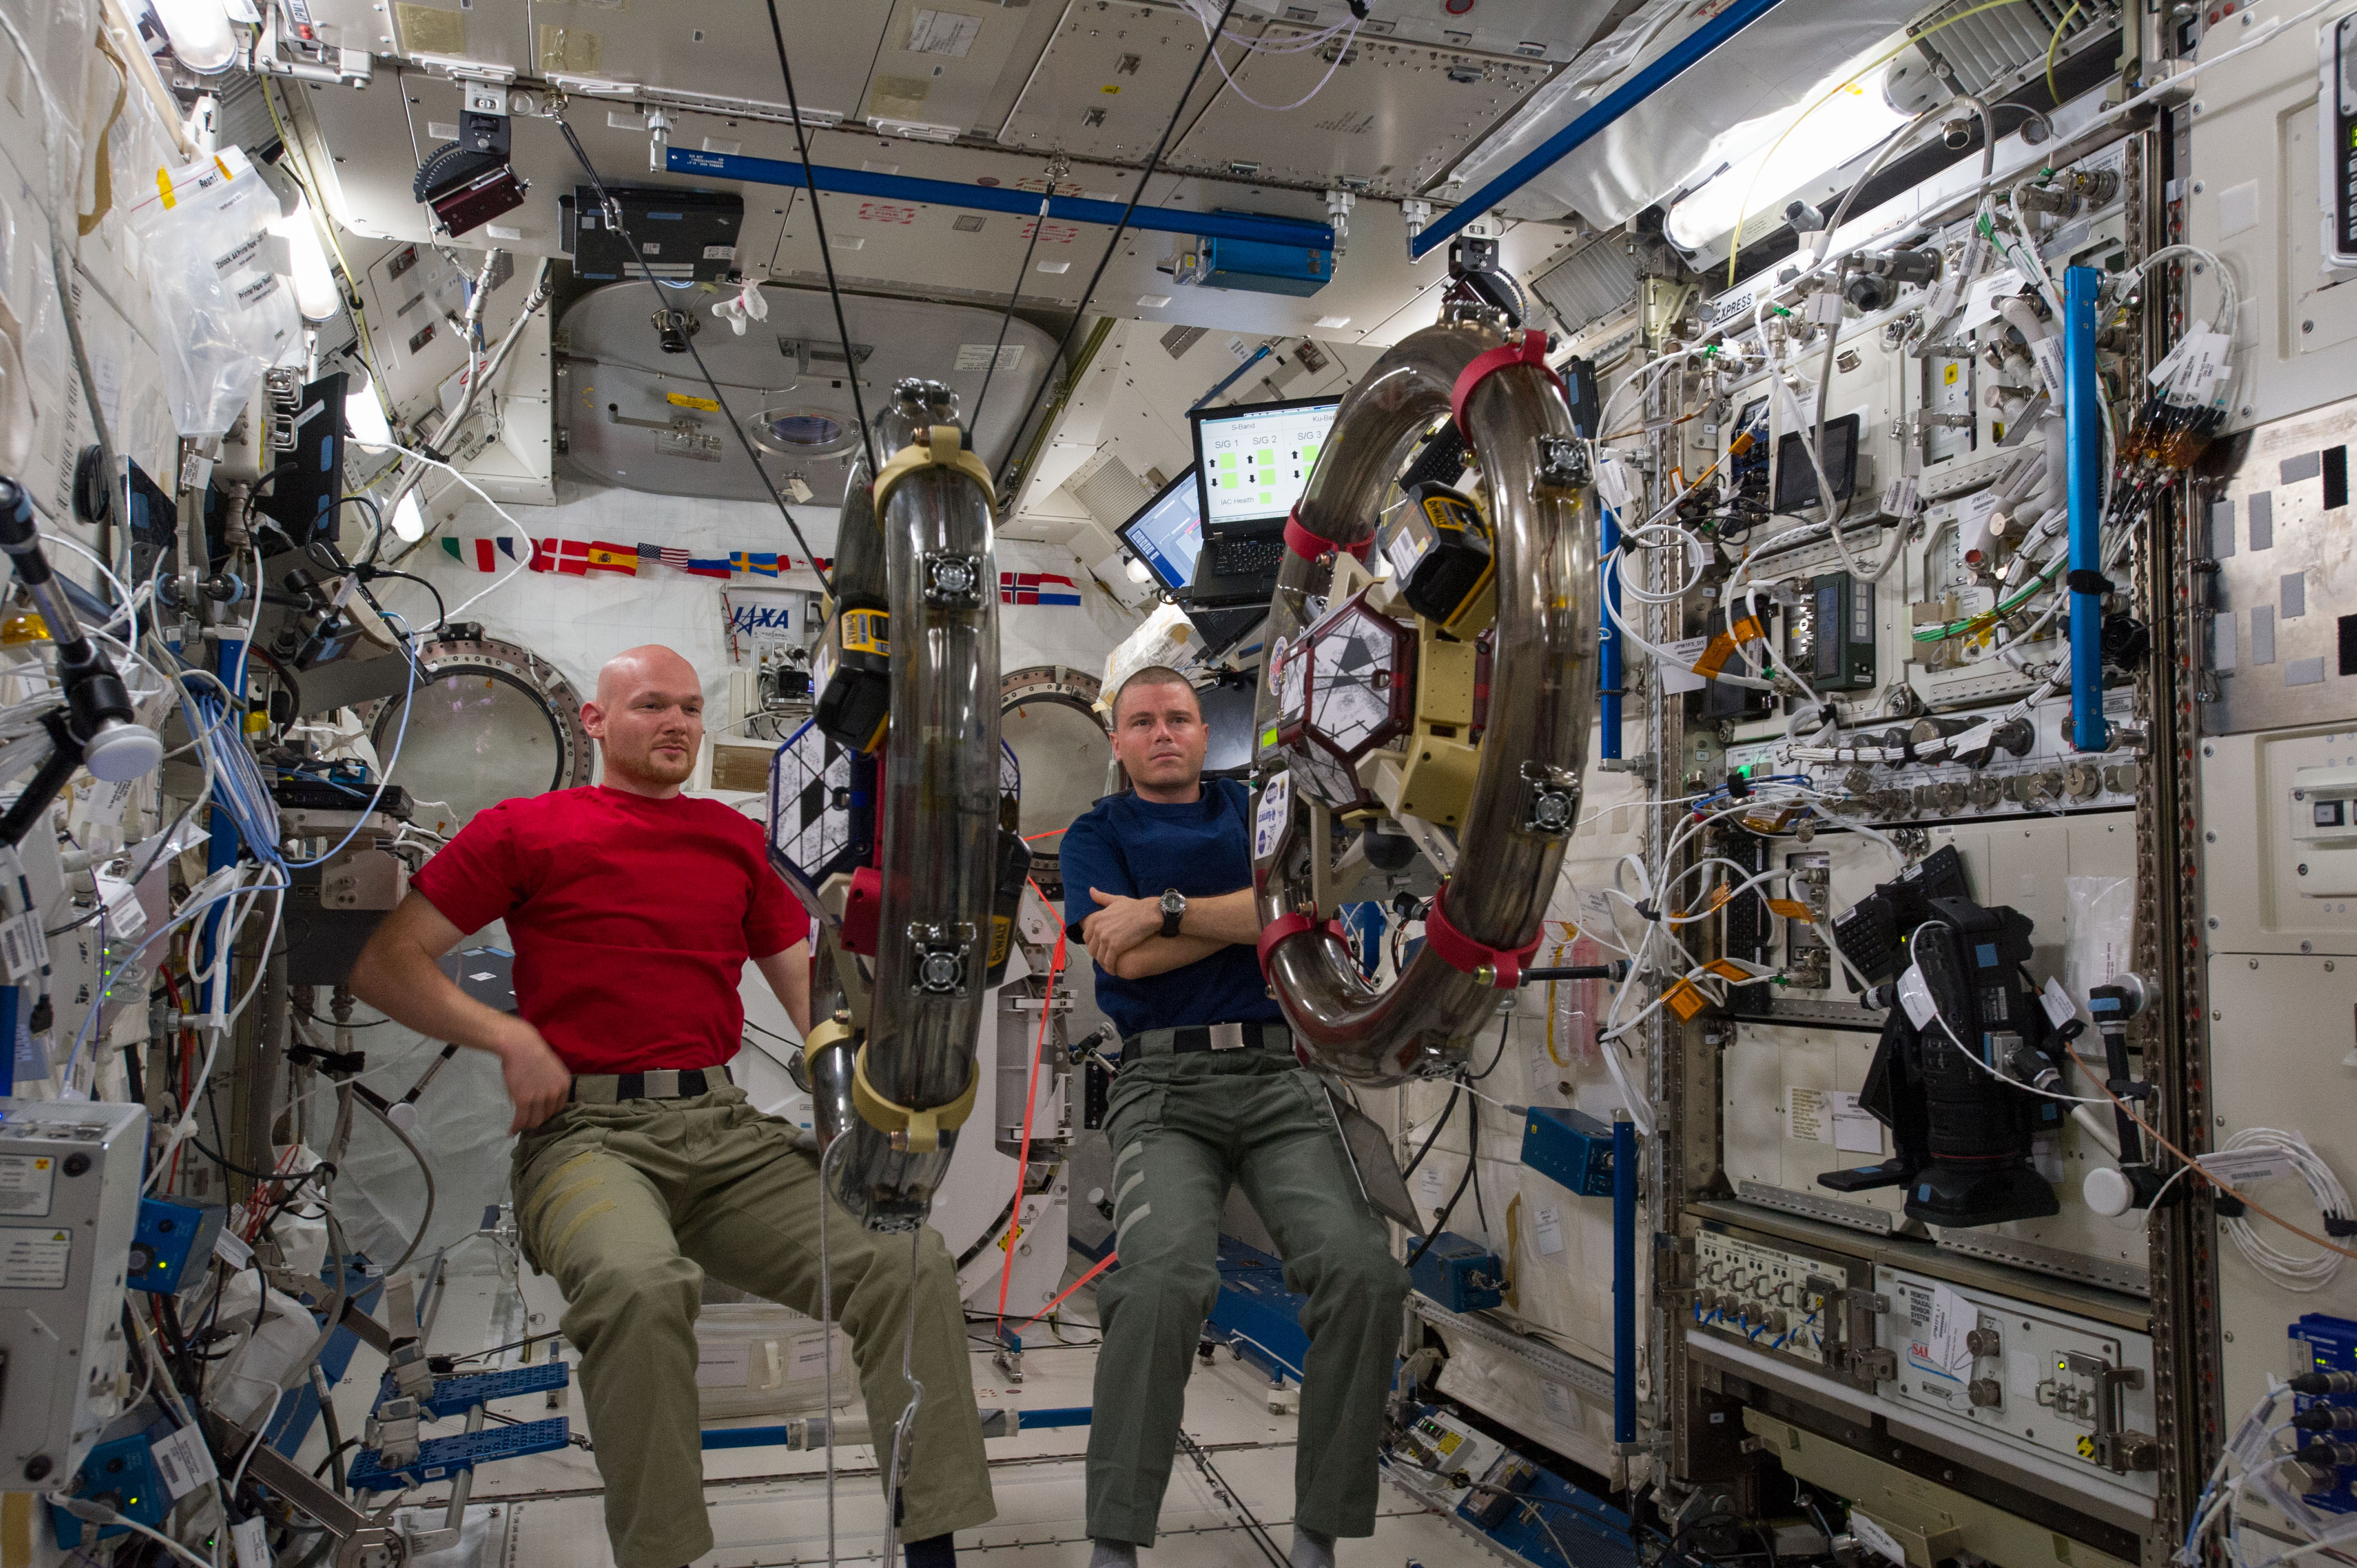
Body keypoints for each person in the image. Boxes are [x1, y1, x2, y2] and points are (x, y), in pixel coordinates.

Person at [348, 644, 994, 1568]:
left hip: (722, 1133)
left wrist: (855, 1089)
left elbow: (809, 1001)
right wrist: (512, 1039)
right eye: (652, 705)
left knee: (908, 1259)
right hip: (587, 1138)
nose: (679, 724)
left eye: (690, 708)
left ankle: (931, 1544)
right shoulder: (523, 830)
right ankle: (662, 1556)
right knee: (639, 1286)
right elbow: (386, 963)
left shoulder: (733, 842)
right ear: (596, 721)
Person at [1059, 665, 1409, 1568]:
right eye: (1144, 722)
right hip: (1163, 1089)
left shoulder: (1258, 808)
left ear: (1199, 729)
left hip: (1278, 1079)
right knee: (1163, 1281)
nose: (1164, 733)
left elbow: (1304, 903)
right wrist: (1254, 918)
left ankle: (1319, 1529)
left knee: (1364, 1275)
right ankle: (1116, 1537)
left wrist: (1165, 911)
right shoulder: (1097, 834)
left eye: (1178, 718)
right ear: (1118, 742)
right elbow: (1126, 964)